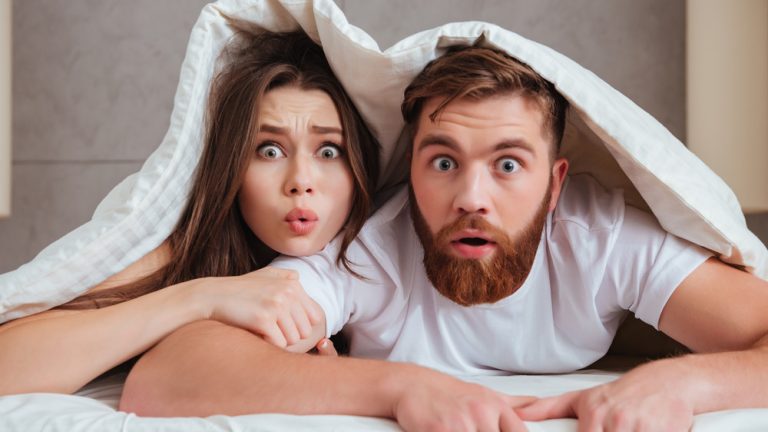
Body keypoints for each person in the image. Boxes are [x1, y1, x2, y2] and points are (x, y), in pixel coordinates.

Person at [119, 43, 768, 431]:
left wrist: (685, 385)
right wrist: (399, 388)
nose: (472, 198)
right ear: (414, 168)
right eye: (444, 161)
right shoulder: (372, 253)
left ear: (554, 183)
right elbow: (167, 376)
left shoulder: (601, 239)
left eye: (508, 164)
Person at [0, 28, 380, 396]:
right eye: (269, 150)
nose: (300, 181)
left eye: (329, 151)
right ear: (233, 167)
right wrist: (201, 299)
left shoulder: (387, 261)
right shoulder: (178, 251)